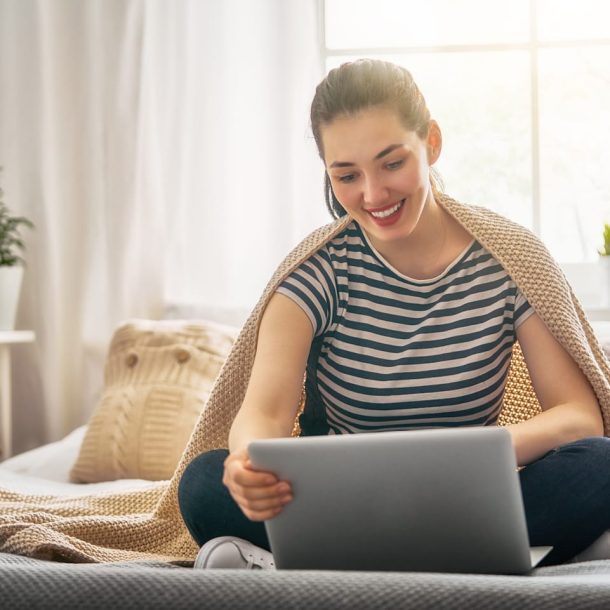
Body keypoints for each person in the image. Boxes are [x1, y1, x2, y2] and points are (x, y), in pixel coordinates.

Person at [178, 58, 610, 570]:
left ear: (431, 142)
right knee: (205, 482)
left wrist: (471, 458)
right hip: (337, 502)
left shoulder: (509, 262)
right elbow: (264, 412)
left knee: (601, 464)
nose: (373, 194)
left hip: (468, 497)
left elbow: (579, 418)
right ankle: (503, 550)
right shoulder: (317, 272)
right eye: (346, 175)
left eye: (391, 163)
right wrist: (248, 460)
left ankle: (302, 559)